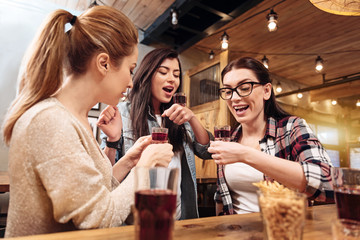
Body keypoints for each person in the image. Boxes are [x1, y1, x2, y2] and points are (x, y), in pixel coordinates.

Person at [1, 6, 174, 237]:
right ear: (103, 63)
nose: (131, 82)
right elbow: (98, 219)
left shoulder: (75, 119)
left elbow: (90, 196)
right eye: (130, 70)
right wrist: (145, 168)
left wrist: (129, 161)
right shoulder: (50, 121)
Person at [208, 57, 334, 215]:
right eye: (228, 91)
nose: (234, 98)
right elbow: (221, 197)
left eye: (245, 88)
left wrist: (246, 154)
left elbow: (328, 182)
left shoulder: (291, 127)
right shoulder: (230, 138)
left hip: (281, 231)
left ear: (266, 91)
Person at [98, 48, 213, 220]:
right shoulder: (121, 113)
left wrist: (192, 118)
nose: (172, 79)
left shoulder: (179, 116)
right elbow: (106, 177)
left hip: (180, 220)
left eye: (176, 74)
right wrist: (112, 141)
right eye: (163, 72)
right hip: (136, 222)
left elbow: (206, 151)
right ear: (147, 75)